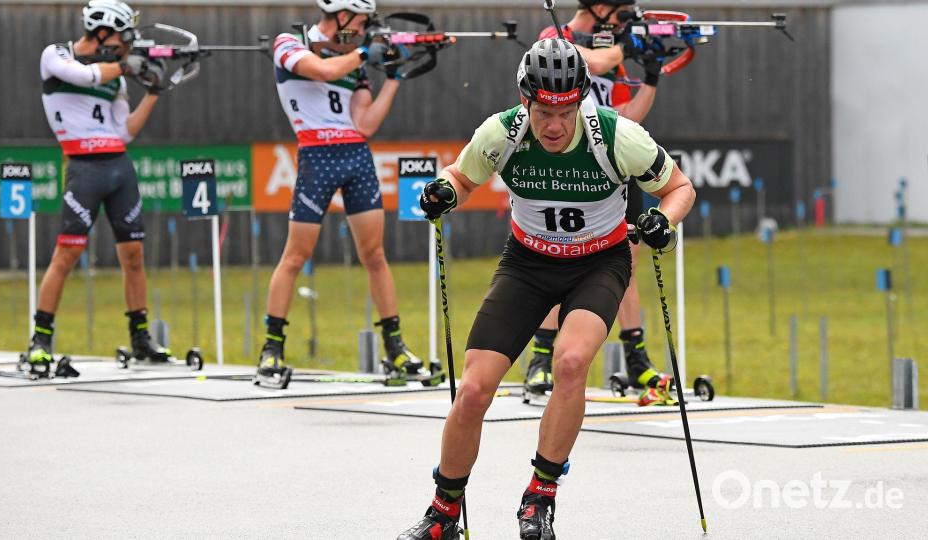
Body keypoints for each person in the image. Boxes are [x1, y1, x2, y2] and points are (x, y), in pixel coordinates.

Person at [398, 38, 695, 540]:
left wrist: (663, 220)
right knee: (472, 389)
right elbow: (461, 176)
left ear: (581, 100)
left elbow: (680, 188)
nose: (553, 126)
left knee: (571, 361)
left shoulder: (616, 136)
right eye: (542, 111)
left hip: (598, 263)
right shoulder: (503, 133)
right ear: (525, 102)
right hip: (528, 264)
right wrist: (445, 190)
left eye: (565, 111)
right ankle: (443, 513)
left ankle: (540, 498)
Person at [256, 0, 426, 386]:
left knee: (375, 255)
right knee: (296, 254)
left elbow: (365, 123)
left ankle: (396, 348)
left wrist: (395, 78)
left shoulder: (354, 59)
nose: (364, 29)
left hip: (356, 155)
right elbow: (320, 69)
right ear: (341, 15)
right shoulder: (291, 42)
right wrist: (367, 51)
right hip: (316, 155)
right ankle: (272, 348)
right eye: (362, 21)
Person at [527, 0, 673, 406]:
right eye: (622, 10)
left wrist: (652, 75)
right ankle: (540, 357)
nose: (625, 18)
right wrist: (628, 46)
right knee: (557, 255)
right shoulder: (557, 40)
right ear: (601, 6)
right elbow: (595, 58)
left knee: (625, 261)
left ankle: (635, 358)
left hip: (614, 165)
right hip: (568, 166)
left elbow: (628, 114)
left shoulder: (614, 51)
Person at [28, 0, 167, 377]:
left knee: (134, 255)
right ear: (102, 32)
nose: (128, 45)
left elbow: (124, 131)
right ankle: (40, 340)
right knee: (67, 255)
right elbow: (85, 77)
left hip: (118, 166)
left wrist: (155, 91)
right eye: (124, 38)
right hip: (83, 169)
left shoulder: (116, 77)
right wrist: (124, 65)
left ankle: (140, 337)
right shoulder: (56, 55)